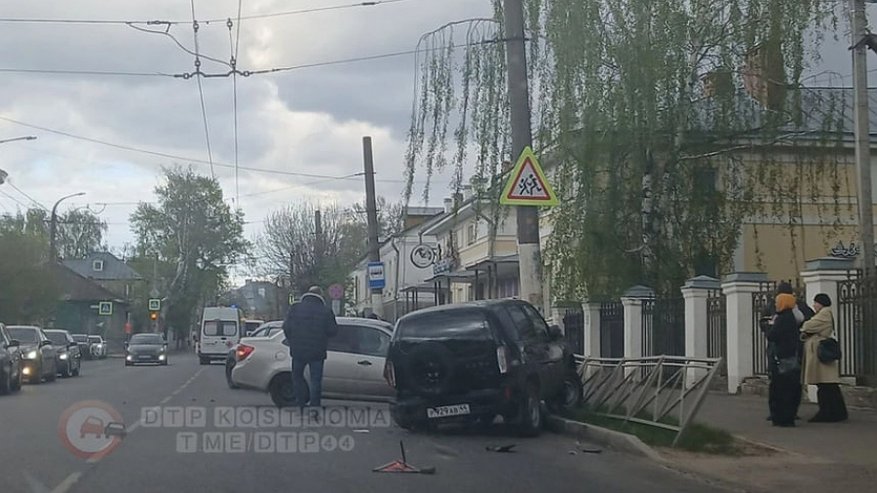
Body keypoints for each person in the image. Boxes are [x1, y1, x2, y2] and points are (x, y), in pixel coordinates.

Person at [282, 286, 338, 407]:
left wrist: (292, 341)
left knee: (297, 378)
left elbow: (286, 327)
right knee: (315, 381)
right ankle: (314, 407)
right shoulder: (326, 310)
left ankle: (300, 403)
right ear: (320, 296)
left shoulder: (295, 308)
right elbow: (333, 331)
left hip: (298, 351)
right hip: (317, 352)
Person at [800, 293, 848, 423]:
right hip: (822, 355)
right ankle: (837, 412)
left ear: (821, 303)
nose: (814, 305)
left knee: (825, 386)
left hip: (821, 356)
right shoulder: (825, 313)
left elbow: (808, 326)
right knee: (830, 386)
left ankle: (826, 412)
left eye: (816, 303)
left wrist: (805, 328)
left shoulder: (824, 314)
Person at [765, 291, 802, 427]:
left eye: (777, 302)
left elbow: (772, 335)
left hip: (782, 358)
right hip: (790, 357)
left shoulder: (782, 319)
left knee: (781, 389)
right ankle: (786, 416)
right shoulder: (791, 317)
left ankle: (782, 417)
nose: (775, 304)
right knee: (789, 388)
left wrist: (769, 326)